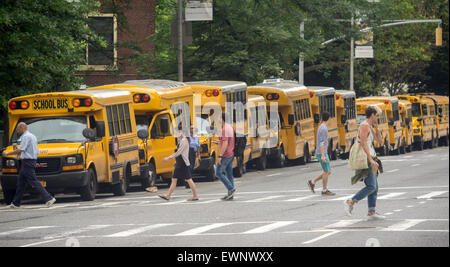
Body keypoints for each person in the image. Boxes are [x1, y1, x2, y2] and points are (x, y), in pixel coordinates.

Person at [344, 106, 385, 220]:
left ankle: (371, 211)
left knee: (374, 187)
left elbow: (380, 141)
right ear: (372, 114)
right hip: (367, 159)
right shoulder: (364, 126)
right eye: (377, 115)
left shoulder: (370, 126)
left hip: (372, 157)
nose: (378, 118)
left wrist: (376, 128)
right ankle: (351, 201)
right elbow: (363, 143)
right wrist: (371, 160)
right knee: (371, 186)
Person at [2, 122, 56, 209]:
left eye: (18, 129)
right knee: (21, 183)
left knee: (33, 181)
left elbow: (21, 149)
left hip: (28, 162)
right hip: (29, 161)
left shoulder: (25, 137)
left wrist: (7, 153)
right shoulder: (32, 136)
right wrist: (18, 152)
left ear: (22, 128)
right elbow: (26, 151)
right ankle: (16, 203)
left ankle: (49, 198)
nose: (18, 131)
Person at [159, 123, 199, 201]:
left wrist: (168, 157)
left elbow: (179, 152)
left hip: (182, 163)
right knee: (175, 179)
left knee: (188, 179)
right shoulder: (184, 139)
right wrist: (176, 161)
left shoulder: (184, 140)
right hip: (181, 162)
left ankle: (195, 196)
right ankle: (168, 195)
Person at [308, 111, 336, 196]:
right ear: (329, 119)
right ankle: (324, 190)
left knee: (328, 171)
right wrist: (323, 155)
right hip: (322, 152)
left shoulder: (321, 127)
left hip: (321, 152)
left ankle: (313, 182)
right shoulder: (324, 128)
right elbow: (322, 143)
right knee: (326, 171)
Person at [214, 113, 235, 200]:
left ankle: (231, 188)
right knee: (229, 174)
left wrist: (220, 156)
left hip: (225, 155)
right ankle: (230, 194)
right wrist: (219, 142)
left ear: (222, 119)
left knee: (218, 173)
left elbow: (226, 143)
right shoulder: (230, 127)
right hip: (231, 153)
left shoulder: (224, 129)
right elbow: (227, 141)